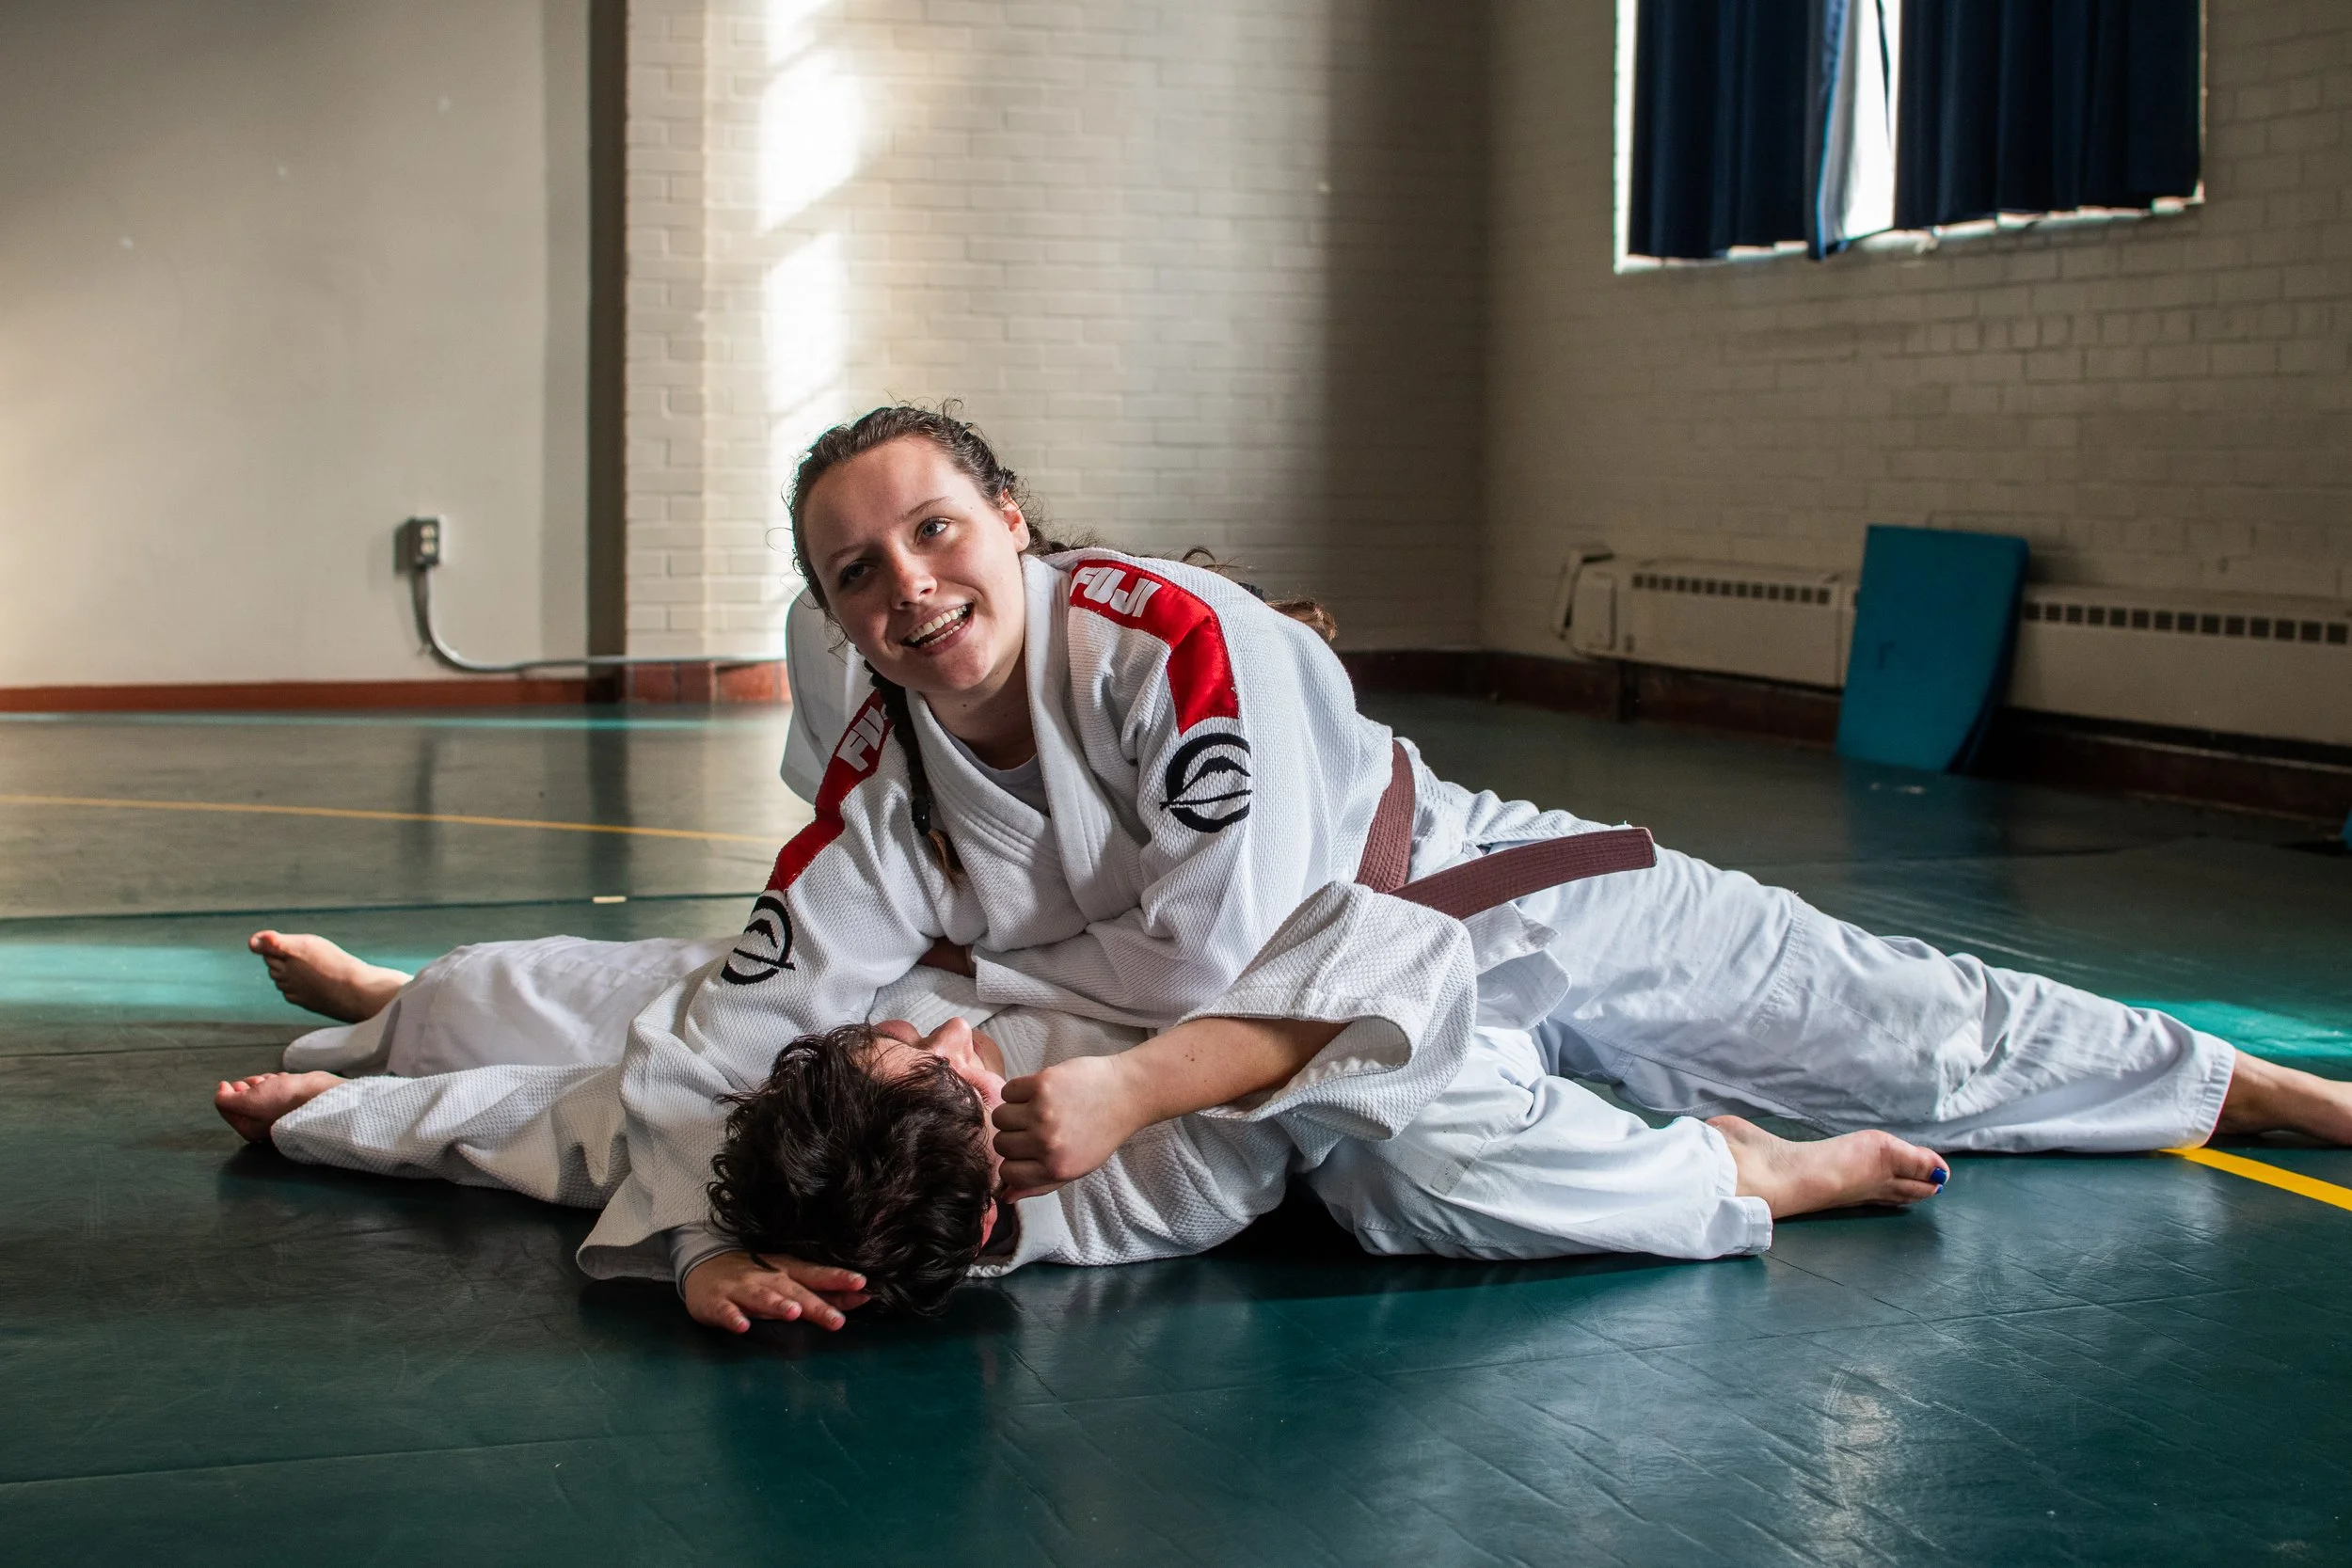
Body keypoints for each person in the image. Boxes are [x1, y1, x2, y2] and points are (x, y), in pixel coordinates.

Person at [242, 402, 2352, 1329]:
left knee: (1876, 1013)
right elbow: (737, 1030)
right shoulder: (876, 771)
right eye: (857, 571)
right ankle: (412, 1009)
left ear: (1012, 520)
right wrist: (707, 1244)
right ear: (836, 613)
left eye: (935, 530)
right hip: (1164, 1039)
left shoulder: (1173, 642)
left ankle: (2239, 1080)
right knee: (1410, 1181)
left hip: (1454, 898)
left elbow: (1266, 977)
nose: (906, 585)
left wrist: (1091, 1082)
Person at [219, 879, 1955, 1330]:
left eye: (905, 1041)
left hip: (1167, 993)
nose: (938, 1034)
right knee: (1433, 1163)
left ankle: (384, 1008)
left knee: (497, 1007)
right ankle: (1751, 1174)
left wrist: (322, 1111)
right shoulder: (1149, 1180)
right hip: (1293, 1073)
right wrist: (1143, 1084)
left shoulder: (791, 1123)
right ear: (998, 1192)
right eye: (944, 1059)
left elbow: (526, 1129)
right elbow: (1389, 978)